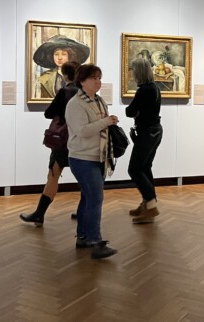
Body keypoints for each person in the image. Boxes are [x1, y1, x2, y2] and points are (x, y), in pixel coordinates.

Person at [65, 64, 118, 259]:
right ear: (82, 81)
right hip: (82, 157)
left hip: (99, 156)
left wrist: (108, 121)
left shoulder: (99, 101)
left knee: (88, 198)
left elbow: (99, 126)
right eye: (93, 78)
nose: (98, 81)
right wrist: (107, 121)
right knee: (95, 198)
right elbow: (83, 131)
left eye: (99, 78)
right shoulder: (75, 104)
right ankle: (96, 242)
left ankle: (82, 237)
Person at [20, 61, 80, 227]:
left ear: (65, 75)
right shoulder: (84, 92)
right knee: (84, 176)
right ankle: (84, 211)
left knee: (53, 176)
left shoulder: (66, 91)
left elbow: (49, 113)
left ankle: (39, 214)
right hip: (81, 140)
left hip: (64, 141)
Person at [126, 58, 163, 224]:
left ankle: (151, 205)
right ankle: (148, 204)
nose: (132, 73)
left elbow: (130, 111)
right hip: (154, 131)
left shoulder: (144, 90)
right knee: (145, 167)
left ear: (138, 71)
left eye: (133, 70)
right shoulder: (154, 87)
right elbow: (136, 110)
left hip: (148, 132)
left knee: (134, 169)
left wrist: (135, 111)